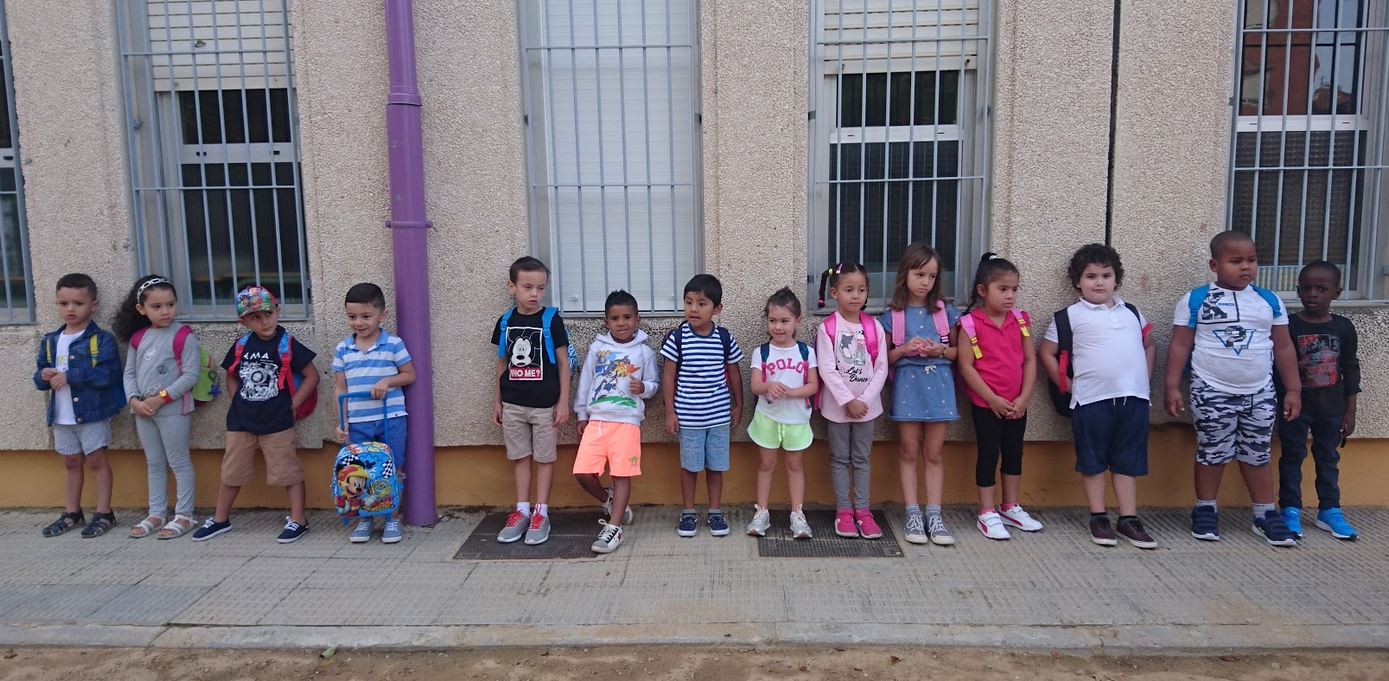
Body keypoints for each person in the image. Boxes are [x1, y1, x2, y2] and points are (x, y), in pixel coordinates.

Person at [1164, 231, 1300, 546]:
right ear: (1215, 265)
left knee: (1258, 453)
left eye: (1251, 260)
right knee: (1212, 452)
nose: (1246, 267)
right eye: (1236, 261)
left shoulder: (1268, 301)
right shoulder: (1196, 300)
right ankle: (1205, 509)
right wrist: (1171, 385)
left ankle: (1265, 514)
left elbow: (1283, 347)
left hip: (1260, 391)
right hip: (1211, 390)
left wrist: (1293, 389)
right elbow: (1180, 345)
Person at [1039, 245, 1157, 549]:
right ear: (1078, 282)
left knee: (1127, 460)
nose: (1099, 282)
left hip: (1133, 398)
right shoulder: (1069, 316)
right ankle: (1099, 516)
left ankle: (1128, 518)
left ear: (1116, 279)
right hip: (1091, 400)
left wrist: (1143, 379)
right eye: (1091, 276)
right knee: (1092, 460)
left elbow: (1149, 345)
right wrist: (1067, 384)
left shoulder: (1131, 312)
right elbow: (1046, 352)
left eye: (1106, 275)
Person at [192, 286, 319, 543]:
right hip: (241, 421)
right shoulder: (242, 345)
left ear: (278, 310)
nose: (264, 321)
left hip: (278, 421)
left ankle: (299, 520)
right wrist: (237, 399)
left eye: (268, 314)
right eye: (255, 317)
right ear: (244, 322)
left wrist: (293, 404)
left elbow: (312, 376)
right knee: (231, 471)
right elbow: (231, 375)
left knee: (288, 471)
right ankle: (220, 519)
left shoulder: (287, 344)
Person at [956, 253, 1044, 540]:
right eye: (1003, 289)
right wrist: (991, 399)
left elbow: (1030, 360)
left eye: (1014, 289)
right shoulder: (970, 324)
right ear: (983, 290)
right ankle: (987, 511)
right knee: (989, 453)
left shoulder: (1020, 320)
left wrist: (1024, 398)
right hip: (987, 404)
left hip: (1017, 403)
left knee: (1014, 452)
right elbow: (966, 366)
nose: (1010, 296)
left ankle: (1010, 506)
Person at [880, 244, 960, 546]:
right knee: (909, 450)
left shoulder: (945, 312)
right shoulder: (893, 316)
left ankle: (934, 514)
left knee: (934, 452)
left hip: (940, 386)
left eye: (932, 276)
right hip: (907, 387)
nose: (926, 281)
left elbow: (958, 353)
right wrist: (903, 349)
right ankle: (912, 512)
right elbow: (884, 358)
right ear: (905, 274)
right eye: (919, 274)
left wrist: (941, 350)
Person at [34, 273, 124, 538]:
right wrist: (43, 376)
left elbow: (109, 374)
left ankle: (104, 512)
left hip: (92, 414)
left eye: (78, 303)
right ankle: (72, 512)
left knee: (96, 461)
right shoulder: (51, 340)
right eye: (64, 303)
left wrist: (71, 376)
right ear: (57, 304)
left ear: (93, 305)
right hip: (62, 416)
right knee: (71, 462)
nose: (70, 309)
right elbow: (39, 376)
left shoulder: (101, 339)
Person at [1276, 261, 1360, 540]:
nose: (1313, 294)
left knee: (1328, 458)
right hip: (1296, 407)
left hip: (1332, 408)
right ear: (1298, 290)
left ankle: (1330, 510)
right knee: (1292, 456)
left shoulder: (1343, 328)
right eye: (1307, 288)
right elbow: (1277, 367)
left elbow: (1350, 367)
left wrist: (1350, 409)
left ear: (1336, 292)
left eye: (1321, 289)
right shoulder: (1288, 325)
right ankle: (1290, 509)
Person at [572, 290, 660, 554]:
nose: (622, 323)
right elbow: (586, 382)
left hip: (627, 422)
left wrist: (643, 387)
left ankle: (614, 527)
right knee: (582, 473)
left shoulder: (644, 352)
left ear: (637, 319)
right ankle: (608, 499)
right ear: (606, 322)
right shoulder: (598, 348)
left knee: (622, 474)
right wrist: (582, 414)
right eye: (615, 318)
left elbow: (654, 384)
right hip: (597, 421)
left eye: (627, 317)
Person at [491, 256, 571, 545]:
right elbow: (502, 364)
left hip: (545, 406)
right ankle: (522, 510)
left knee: (545, 458)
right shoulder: (505, 322)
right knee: (520, 457)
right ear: (512, 287)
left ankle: (541, 513)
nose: (535, 294)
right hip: (513, 404)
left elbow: (564, 364)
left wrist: (563, 402)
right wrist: (498, 401)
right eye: (527, 287)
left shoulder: (551, 320)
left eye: (540, 288)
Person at [115, 275, 202, 540]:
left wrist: (161, 398)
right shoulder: (138, 338)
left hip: (173, 410)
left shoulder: (184, 336)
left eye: (170, 304)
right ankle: (156, 513)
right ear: (141, 309)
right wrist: (134, 401)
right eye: (157, 306)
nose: (165, 311)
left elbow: (190, 375)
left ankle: (184, 514)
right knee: (154, 462)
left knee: (179, 461)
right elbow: (129, 373)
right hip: (143, 411)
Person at [333, 282, 416, 544]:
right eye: (352, 316)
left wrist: (388, 382)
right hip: (358, 422)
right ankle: (365, 519)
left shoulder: (393, 344)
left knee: (391, 467)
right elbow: (340, 388)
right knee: (359, 471)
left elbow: (409, 375)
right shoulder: (343, 349)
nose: (358, 322)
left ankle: (392, 518)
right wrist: (342, 422)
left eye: (366, 316)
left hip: (391, 418)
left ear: (382, 315)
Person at [661, 274, 744, 538]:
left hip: (718, 416)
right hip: (688, 417)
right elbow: (669, 376)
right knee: (690, 466)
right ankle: (688, 512)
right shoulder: (678, 338)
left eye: (701, 303)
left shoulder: (724, 338)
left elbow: (734, 373)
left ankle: (715, 512)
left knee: (716, 466)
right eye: (688, 302)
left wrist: (738, 405)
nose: (693, 309)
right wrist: (670, 412)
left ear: (717, 309)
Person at [815, 263, 886, 540]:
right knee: (839, 458)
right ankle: (844, 510)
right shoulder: (828, 328)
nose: (856, 295)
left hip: (867, 408)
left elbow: (881, 367)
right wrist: (847, 400)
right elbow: (826, 369)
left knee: (862, 458)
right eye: (849, 290)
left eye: (861, 290)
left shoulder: (874, 327)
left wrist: (864, 400)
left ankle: (863, 511)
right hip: (837, 408)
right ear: (835, 293)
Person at [746, 287, 818, 539]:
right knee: (766, 464)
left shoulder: (806, 352)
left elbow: (813, 385)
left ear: (797, 321)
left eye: (785, 321)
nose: (778, 327)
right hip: (767, 417)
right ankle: (762, 512)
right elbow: (755, 385)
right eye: (773, 320)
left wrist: (793, 392)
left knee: (795, 465)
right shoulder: (761, 352)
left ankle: (797, 513)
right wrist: (769, 386)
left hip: (796, 419)